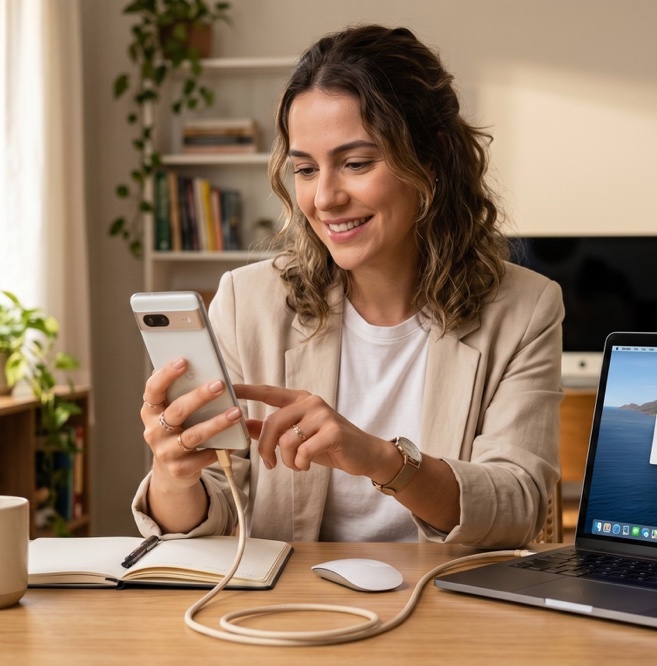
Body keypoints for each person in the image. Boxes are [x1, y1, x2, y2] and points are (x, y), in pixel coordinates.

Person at [132, 24, 562, 549]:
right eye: (305, 170)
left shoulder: (526, 308)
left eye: (356, 163)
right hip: (293, 597)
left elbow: (518, 507)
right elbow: (219, 515)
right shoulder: (247, 304)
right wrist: (174, 478)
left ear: (432, 161)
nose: (324, 198)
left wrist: (382, 459)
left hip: (444, 597)